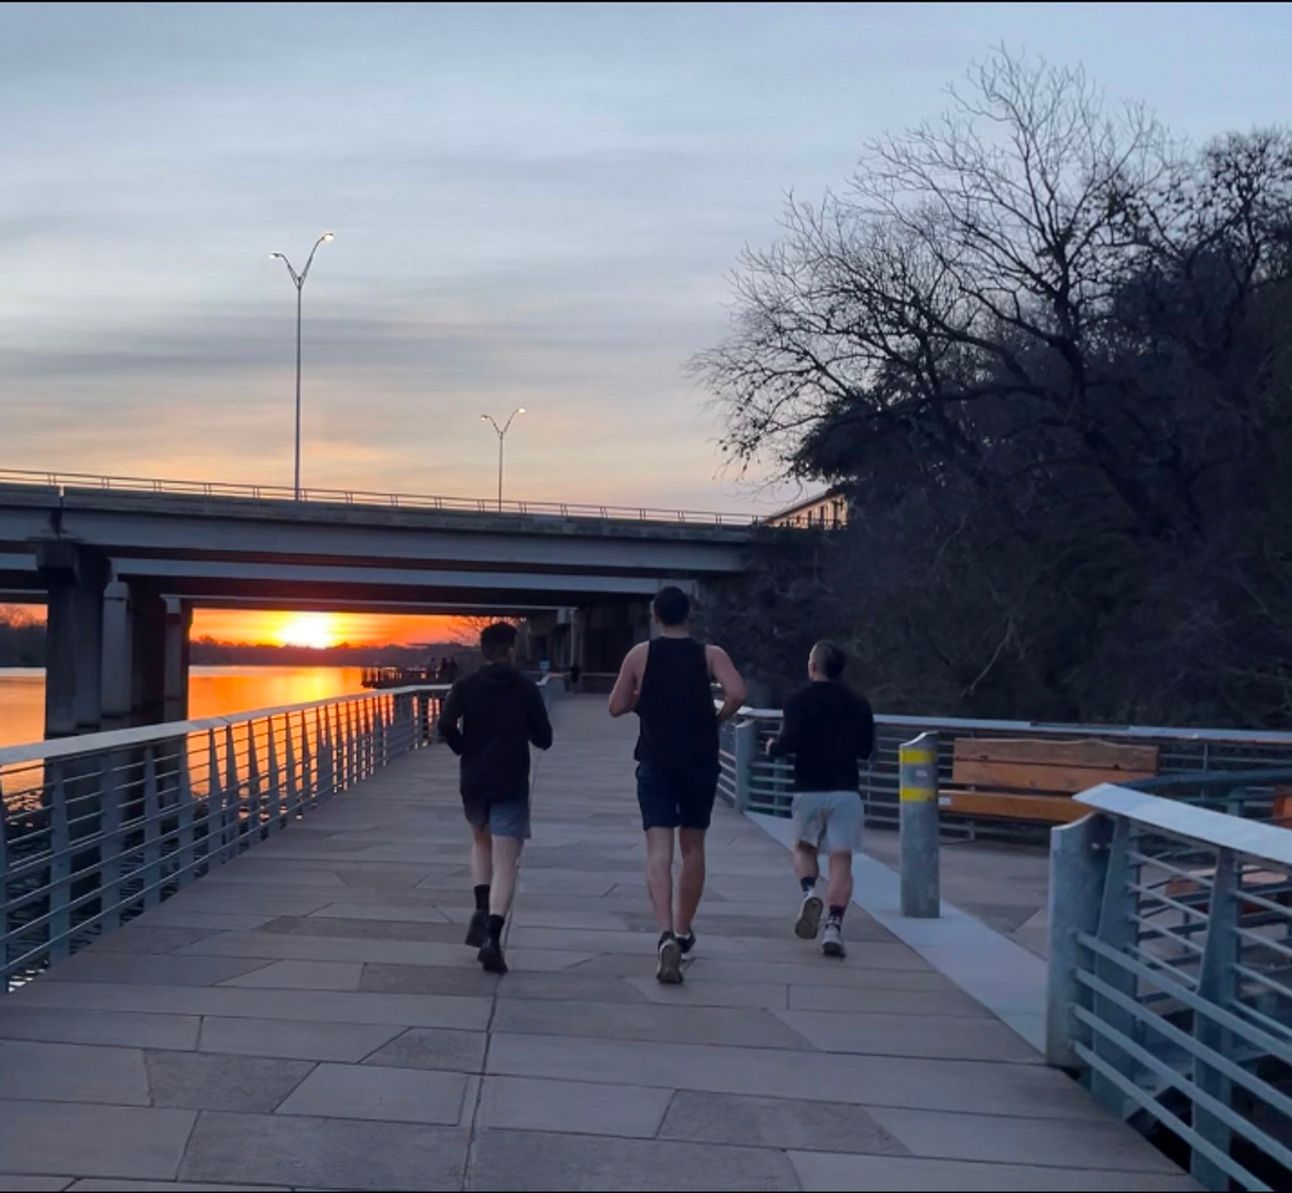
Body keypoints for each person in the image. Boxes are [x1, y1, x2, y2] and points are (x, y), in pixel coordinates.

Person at [608, 586, 746, 983]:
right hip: (699, 763)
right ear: (689, 615)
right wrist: (716, 718)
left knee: (658, 850)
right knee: (693, 847)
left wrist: (642, 699)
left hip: (656, 762)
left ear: (656, 616)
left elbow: (615, 706)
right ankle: (684, 931)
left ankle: (664, 933)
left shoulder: (640, 655)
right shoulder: (710, 655)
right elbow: (737, 693)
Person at [438, 622, 553, 975]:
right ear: (511, 651)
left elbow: (445, 725)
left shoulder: (465, 685)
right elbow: (544, 739)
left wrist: (464, 748)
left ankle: (480, 903)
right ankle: (493, 934)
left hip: (474, 779)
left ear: (483, 650)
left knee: (480, 842)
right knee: (506, 861)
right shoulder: (525, 688)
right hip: (510, 780)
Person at [768, 641, 874, 959]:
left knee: (803, 848)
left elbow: (788, 742)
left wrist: (772, 746)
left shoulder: (796, 699)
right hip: (846, 791)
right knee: (841, 860)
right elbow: (865, 749)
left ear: (813, 666)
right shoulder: (858, 702)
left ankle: (809, 892)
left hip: (808, 789)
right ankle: (834, 927)